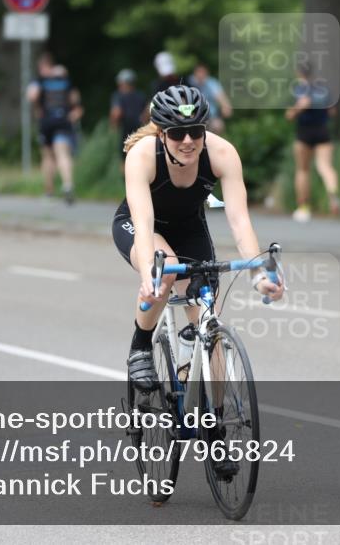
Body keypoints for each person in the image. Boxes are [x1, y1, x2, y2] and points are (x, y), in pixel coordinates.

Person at [112, 85, 284, 400]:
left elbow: (239, 220)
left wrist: (258, 274)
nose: (188, 141)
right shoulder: (142, 156)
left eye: (196, 131)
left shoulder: (222, 153)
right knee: (165, 270)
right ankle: (140, 346)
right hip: (142, 227)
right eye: (178, 134)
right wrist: (149, 271)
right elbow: (144, 220)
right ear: (162, 134)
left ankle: (214, 425)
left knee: (210, 324)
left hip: (190, 228)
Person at [285, 62, 340, 221]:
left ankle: (303, 207)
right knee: (326, 166)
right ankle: (333, 192)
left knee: (303, 170)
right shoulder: (323, 89)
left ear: (298, 73)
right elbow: (332, 112)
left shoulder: (298, 89)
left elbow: (290, 115)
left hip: (304, 132)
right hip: (322, 130)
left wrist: (297, 110)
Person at [27, 53, 82, 204]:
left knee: (47, 156)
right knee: (63, 153)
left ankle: (49, 190)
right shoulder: (65, 79)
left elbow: (32, 96)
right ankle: (68, 185)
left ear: (42, 67)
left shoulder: (40, 80)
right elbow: (75, 101)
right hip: (64, 120)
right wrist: (74, 113)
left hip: (47, 122)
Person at [109, 68, 148, 165]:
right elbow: (147, 113)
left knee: (125, 158)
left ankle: (126, 179)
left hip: (125, 130)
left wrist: (113, 126)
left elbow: (117, 113)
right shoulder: (140, 95)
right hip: (140, 130)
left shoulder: (118, 96)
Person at [189, 63, 233, 133]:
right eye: (199, 72)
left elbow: (220, 97)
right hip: (192, 117)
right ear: (195, 73)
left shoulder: (211, 83)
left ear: (206, 73)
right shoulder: (189, 82)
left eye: (203, 72)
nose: (201, 74)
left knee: (218, 125)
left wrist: (225, 106)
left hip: (211, 117)